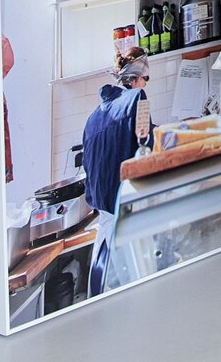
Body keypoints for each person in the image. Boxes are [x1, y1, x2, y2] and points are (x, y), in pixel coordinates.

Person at [81, 47, 154, 297]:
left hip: (104, 222)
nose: (145, 84)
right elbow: (145, 149)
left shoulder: (92, 119)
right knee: (139, 294)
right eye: (146, 78)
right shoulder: (138, 98)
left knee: (104, 293)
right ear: (137, 78)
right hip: (128, 219)